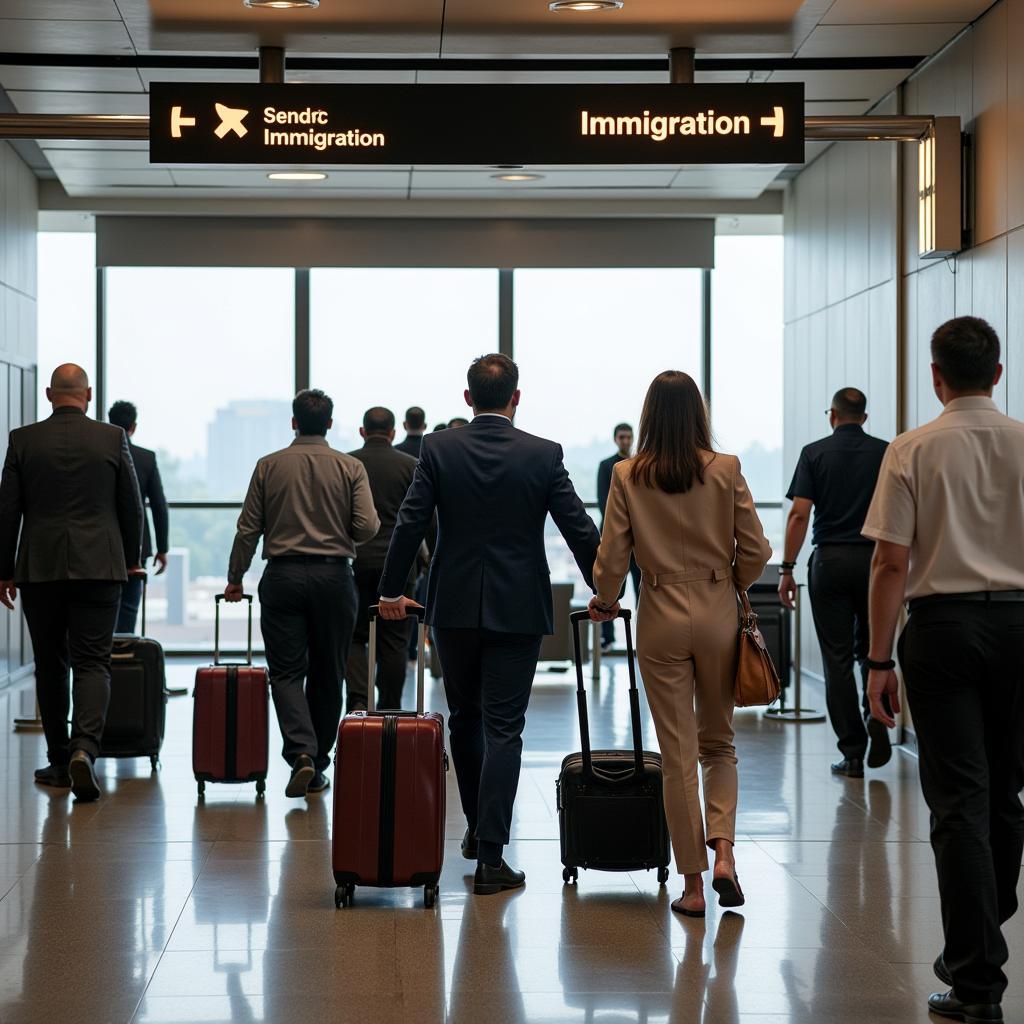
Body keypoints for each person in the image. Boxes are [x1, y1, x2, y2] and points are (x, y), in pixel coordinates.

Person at [378, 354, 600, 896]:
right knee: (506, 727)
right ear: (517, 397)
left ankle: (479, 830)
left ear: (467, 398)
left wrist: (389, 590)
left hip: (452, 606)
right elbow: (577, 526)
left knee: (465, 718)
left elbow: (411, 520)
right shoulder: (543, 454)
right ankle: (491, 856)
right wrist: (607, 589)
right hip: (518, 607)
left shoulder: (439, 448)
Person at [863, 316, 1024, 1024]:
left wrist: (875, 659)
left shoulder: (912, 448)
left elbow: (890, 560)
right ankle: (983, 926)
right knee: (1006, 793)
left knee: (959, 801)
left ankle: (976, 977)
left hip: (943, 633)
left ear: (937, 375)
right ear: (997, 372)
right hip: (1022, 627)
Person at [588, 370, 770, 917]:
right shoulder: (726, 469)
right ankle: (725, 857)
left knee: (677, 753)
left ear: (647, 417)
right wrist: (730, 582)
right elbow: (756, 550)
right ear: (698, 414)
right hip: (717, 608)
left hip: (660, 613)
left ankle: (691, 888)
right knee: (720, 742)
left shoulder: (627, 474)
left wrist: (605, 596)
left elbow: (613, 557)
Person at [224, 389, 379, 799]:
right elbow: (367, 528)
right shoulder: (350, 467)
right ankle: (318, 761)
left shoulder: (269, 466)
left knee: (287, 672)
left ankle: (302, 753)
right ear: (329, 424)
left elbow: (247, 529)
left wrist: (235, 576)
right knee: (330, 672)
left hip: (283, 576)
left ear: (294, 422)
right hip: (333, 578)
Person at [0, 364, 143, 802]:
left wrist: (5, 570)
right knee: (93, 662)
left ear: (49, 394)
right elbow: (131, 506)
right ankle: (85, 748)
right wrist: (132, 559)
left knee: (50, 662)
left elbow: (8, 511)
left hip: (40, 569)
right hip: (100, 567)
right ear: (90, 394)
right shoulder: (112, 437)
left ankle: (60, 760)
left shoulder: (23, 440)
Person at [779, 387, 889, 778]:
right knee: (874, 651)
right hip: (877, 562)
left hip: (830, 561)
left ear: (833, 416)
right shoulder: (886, 452)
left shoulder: (815, 452)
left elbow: (798, 515)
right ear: (864, 416)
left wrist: (787, 568)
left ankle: (853, 752)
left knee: (837, 659)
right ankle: (878, 715)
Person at [346, 406, 420, 711]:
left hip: (355, 564)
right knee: (395, 642)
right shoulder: (411, 466)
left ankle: (359, 701)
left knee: (353, 636)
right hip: (400, 569)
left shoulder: (347, 464)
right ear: (392, 433)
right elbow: (424, 519)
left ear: (363, 432)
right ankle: (389, 707)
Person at [107, 400, 170, 633]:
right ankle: (125, 662)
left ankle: (104, 663)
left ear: (109, 422)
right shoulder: (146, 458)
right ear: (133, 426)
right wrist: (162, 548)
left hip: (101, 546)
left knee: (101, 610)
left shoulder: (97, 455)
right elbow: (159, 506)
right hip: (136, 546)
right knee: (129, 609)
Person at [596, 422, 642, 650]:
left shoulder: (639, 465)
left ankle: (644, 633)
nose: (625, 440)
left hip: (639, 537)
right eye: (621, 437)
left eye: (627, 437)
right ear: (616, 439)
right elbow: (605, 504)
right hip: (615, 536)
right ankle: (608, 637)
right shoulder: (606, 466)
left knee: (640, 587)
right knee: (609, 588)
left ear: (632, 438)